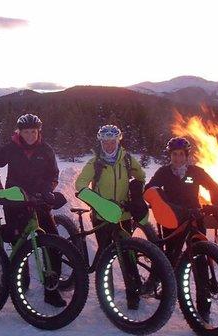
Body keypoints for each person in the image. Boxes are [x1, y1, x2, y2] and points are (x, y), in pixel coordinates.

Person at [144, 136, 218, 320]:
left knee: (200, 261)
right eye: (174, 154)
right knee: (170, 257)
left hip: (195, 219)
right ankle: (161, 289)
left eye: (181, 154)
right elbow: (150, 188)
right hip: (173, 219)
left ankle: (204, 306)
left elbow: (216, 189)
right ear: (170, 155)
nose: (177, 158)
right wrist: (158, 200)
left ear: (186, 155)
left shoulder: (196, 172)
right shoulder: (163, 172)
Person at [0, 113, 66, 307]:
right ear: (19, 132)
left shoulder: (46, 150)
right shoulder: (11, 148)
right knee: (18, 242)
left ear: (39, 131)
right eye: (26, 132)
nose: (30, 135)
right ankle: (21, 281)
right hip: (16, 201)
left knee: (53, 243)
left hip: (39, 201)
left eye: (33, 131)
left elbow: (53, 174)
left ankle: (51, 289)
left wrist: (48, 190)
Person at [75, 124, 146, 310]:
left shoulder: (128, 160)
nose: (109, 145)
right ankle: (107, 294)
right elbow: (80, 184)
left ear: (118, 141)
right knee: (105, 255)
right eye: (105, 142)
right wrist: (98, 203)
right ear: (100, 142)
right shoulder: (94, 163)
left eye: (112, 141)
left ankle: (134, 292)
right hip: (101, 217)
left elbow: (140, 177)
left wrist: (137, 193)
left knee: (128, 254)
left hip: (123, 215)